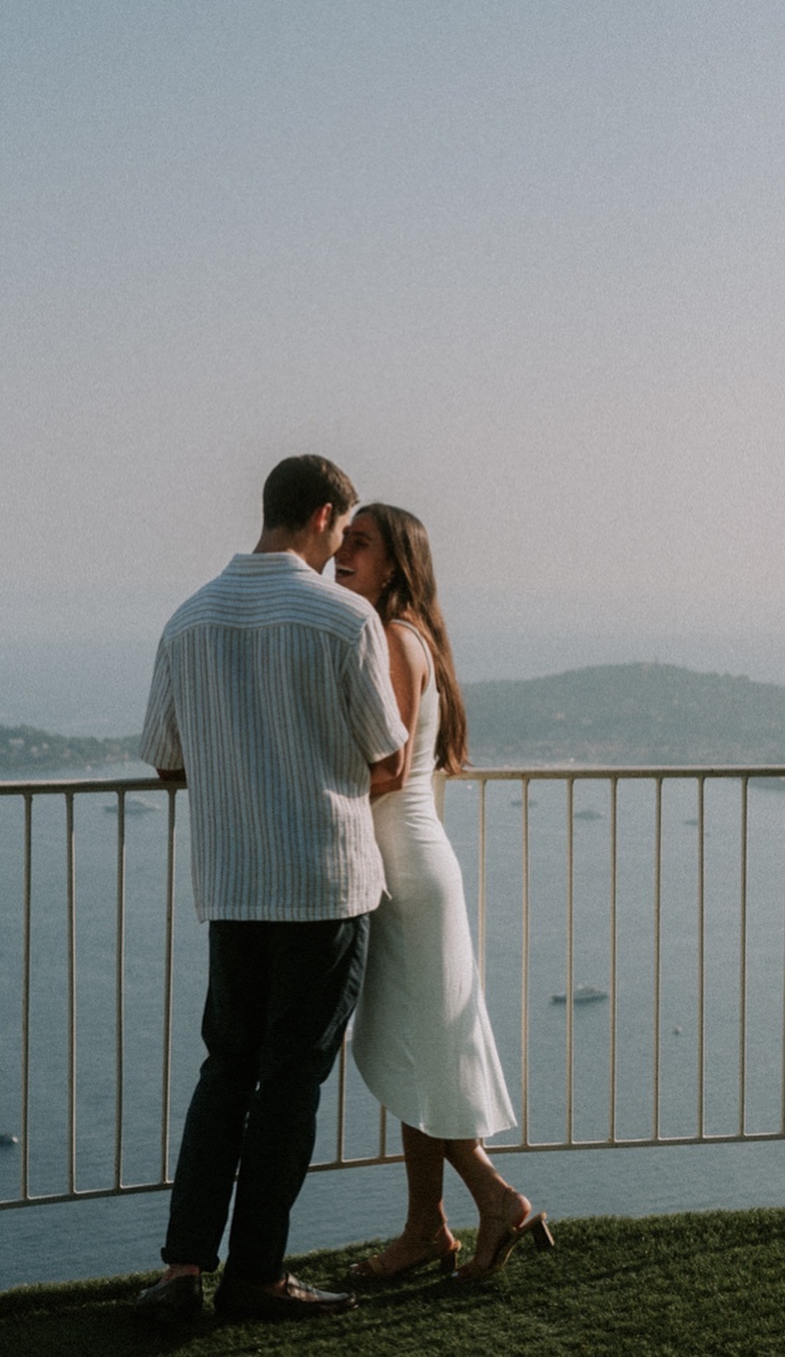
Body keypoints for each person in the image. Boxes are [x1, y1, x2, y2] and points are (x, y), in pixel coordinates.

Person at [133, 455, 409, 1324]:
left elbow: (167, 756)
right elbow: (390, 755)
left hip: (234, 880)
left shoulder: (188, 619)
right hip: (322, 882)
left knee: (227, 1069)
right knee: (292, 1081)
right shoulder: (343, 618)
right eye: (342, 528)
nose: (340, 547)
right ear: (324, 515)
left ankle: (182, 1271)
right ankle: (256, 1272)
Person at [334, 503, 552, 1284]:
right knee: (418, 1050)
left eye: (359, 544)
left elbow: (388, 769)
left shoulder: (391, 636)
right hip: (414, 868)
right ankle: (427, 1227)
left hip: (408, 876)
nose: (339, 553)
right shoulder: (413, 634)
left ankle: (495, 1199)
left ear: (394, 564)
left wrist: (305, 791)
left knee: (413, 1049)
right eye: (342, 539)